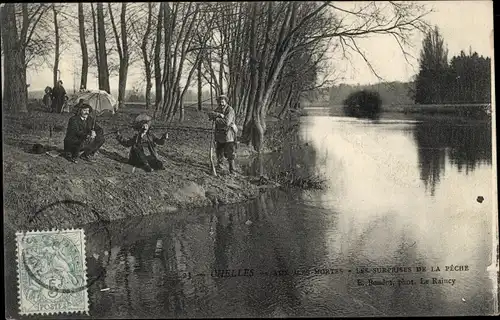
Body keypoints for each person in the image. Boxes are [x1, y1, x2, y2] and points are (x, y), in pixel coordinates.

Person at [208, 94, 238, 174]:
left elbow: (226, 122)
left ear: (226, 101)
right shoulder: (218, 109)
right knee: (219, 152)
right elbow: (210, 115)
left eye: (222, 101)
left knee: (230, 154)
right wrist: (218, 114)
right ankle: (220, 167)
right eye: (219, 101)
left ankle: (232, 171)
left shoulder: (230, 110)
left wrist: (216, 119)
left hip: (228, 135)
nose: (221, 103)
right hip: (219, 135)